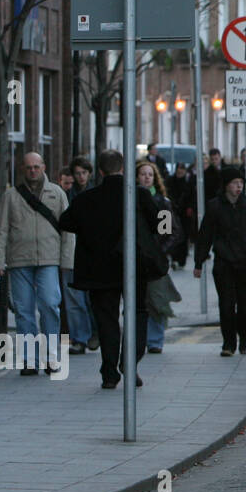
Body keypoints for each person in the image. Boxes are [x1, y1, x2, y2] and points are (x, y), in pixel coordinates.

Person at [59, 150, 160, 389]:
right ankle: (130, 364)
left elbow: (65, 222)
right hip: (134, 266)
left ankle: (109, 372)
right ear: (123, 169)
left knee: (106, 320)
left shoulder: (86, 199)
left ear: (101, 171)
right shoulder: (140, 195)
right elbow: (162, 223)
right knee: (137, 314)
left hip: (99, 269)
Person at [0, 153, 74, 374]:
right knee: (23, 311)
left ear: (44, 167)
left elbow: (68, 230)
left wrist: (67, 260)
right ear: (22, 169)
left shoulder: (56, 193)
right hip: (19, 259)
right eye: (29, 167)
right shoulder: (11, 196)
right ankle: (29, 360)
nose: (33, 171)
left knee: (49, 305)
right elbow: (1, 230)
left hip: (49, 258)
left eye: (36, 167)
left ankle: (52, 357)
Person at [194, 167, 246, 356]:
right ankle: (228, 343)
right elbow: (205, 235)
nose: (239, 187)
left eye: (241, 183)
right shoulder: (215, 206)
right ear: (226, 185)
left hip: (245, 262)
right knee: (226, 304)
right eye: (234, 183)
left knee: (244, 304)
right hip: (224, 262)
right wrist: (199, 262)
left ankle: (244, 338)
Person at [138, 161, 183, 353]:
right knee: (139, 301)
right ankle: (140, 339)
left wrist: (160, 251)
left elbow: (168, 233)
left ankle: (155, 341)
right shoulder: (131, 201)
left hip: (155, 260)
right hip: (136, 257)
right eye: (143, 174)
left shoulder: (162, 202)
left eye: (150, 174)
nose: (147, 177)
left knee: (156, 300)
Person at [67, 156, 98, 351]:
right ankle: (80, 338)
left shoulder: (95, 194)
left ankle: (94, 331)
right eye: (77, 173)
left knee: (91, 298)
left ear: (89, 174)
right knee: (74, 299)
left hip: (92, 252)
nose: (80, 177)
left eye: (83, 173)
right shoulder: (68, 195)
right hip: (72, 251)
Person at [165, 162, 196, 268]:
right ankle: (174, 258)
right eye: (179, 168)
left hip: (185, 214)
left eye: (182, 169)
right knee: (173, 235)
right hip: (173, 211)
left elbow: (192, 196)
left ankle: (181, 259)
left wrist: (190, 208)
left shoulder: (188, 182)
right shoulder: (170, 180)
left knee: (184, 236)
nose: (180, 171)